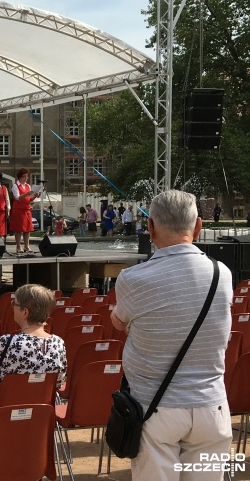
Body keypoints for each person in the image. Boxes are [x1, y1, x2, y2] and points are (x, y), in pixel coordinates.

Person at [111, 190, 232, 478]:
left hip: (156, 408)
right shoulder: (223, 274)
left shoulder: (133, 279)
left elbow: (119, 321)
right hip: (211, 407)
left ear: (150, 227)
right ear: (198, 226)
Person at [0, 284, 67, 417]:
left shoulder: (8, 343)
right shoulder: (59, 344)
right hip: (38, 412)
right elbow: (59, 382)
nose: (12, 307)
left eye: (14, 304)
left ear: (25, 312)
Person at [9, 168, 38, 254]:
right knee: (18, 229)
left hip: (26, 209)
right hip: (18, 209)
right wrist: (26, 193)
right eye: (24, 177)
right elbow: (17, 198)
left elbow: (29, 199)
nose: (25, 178)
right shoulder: (15, 186)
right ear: (20, 177)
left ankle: (27, 246)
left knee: (27, 229)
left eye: (27, 177)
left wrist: (35, 196)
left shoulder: (28, 186)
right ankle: (18, 247)